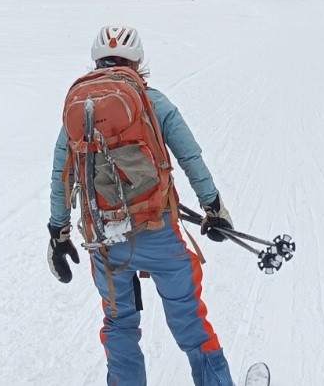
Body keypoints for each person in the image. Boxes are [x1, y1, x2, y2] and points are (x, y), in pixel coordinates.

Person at [48, 26, 236, 386]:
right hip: (158, 231)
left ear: (96, 61)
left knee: (119, 325)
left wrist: (58, 233)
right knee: (190, 320)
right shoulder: (154, 101)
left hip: (104, 239)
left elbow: (61, 174)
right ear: (138, 62)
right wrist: (213, 207)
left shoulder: (77, 109)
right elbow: (190, 157)